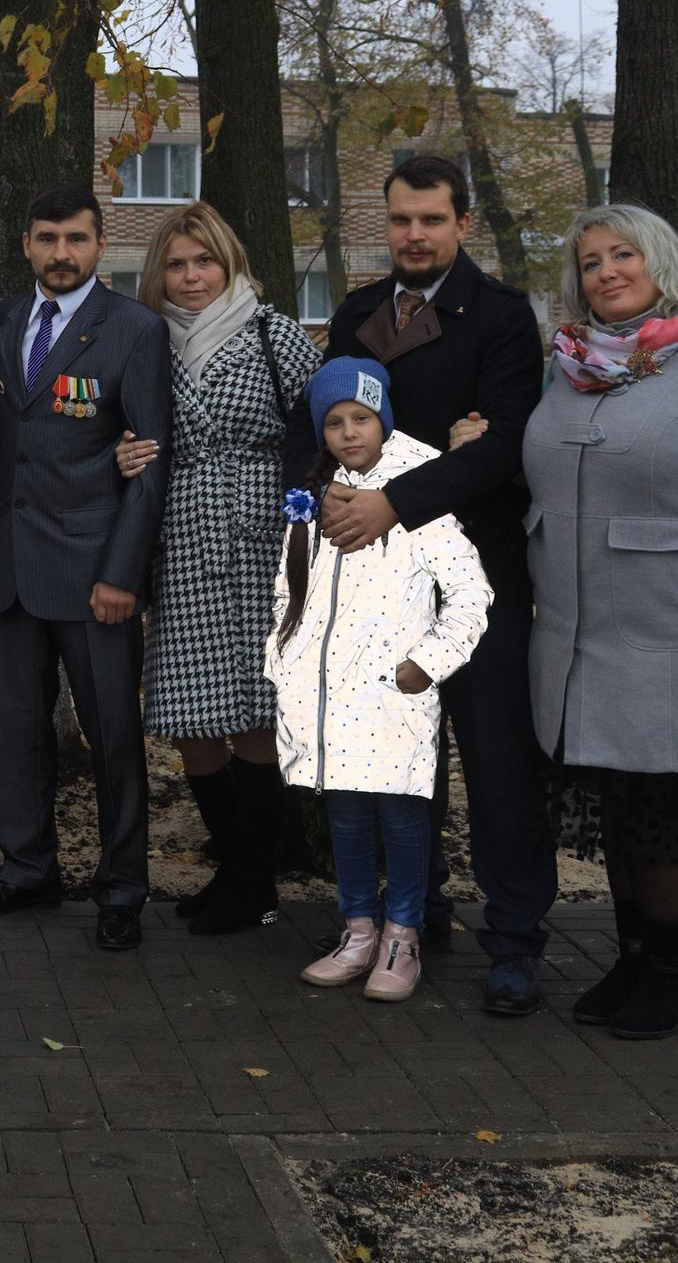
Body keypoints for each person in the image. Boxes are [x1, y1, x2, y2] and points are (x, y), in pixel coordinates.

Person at [454, 203, 678, 1039]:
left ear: (661, 260)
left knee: (664, 811)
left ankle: (676, 974)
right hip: (578, 633)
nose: (607, 270)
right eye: (592, 260)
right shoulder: (573, 364)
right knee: (619, 807)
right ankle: (634, 956)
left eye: (624, 254)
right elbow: (550, 480)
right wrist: (483, 444)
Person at [287, 153, 554, 1016]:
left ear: (462, 224)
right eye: (401, 218)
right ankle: (416, 911)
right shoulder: (359, 312)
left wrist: (395, 500)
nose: (414, 234)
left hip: (477, 577)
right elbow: (326, 434)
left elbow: (507, 447)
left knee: (498, 765)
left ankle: (514, 939)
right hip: (373, 590)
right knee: (396, 764)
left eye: (432, 220)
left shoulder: (504, 318)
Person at [0, 187, 173, 951]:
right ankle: (26, 868)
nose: (60, 253)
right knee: (16, 731)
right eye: (46, 238)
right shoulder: (8, 318)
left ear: (99, 244)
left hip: (92, 573)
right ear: (25, 244)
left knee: (113, 734)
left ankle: (121, 888)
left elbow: (148, 464)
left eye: (75, 239)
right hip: (10, 564)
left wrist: (123, 573)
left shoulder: (136, 330)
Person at [109, 203, 322, 935]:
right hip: (180, 537)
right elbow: (115, 426)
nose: (192, 276)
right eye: (176, 263)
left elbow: (326, 430)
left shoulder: (275, 333)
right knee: (189, 717)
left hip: (265, 538)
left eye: (204, 260)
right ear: (158, 273)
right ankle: (234, 866)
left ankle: (254, 880)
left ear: (228, 263)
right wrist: (119, 453)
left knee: (259, 716)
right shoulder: (143, 342)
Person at [270, 359, 492, 1002]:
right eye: (334, 422)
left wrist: (425, 664)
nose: (347, 433)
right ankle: (358, 928)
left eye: (361, 419)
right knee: (345, 814)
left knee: (401, 814)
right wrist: (282, 656)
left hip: (395, 691)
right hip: (324, 690)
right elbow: (291, 585)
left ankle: (404, 934)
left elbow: (471, 594)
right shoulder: (312, 488)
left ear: (383, 420)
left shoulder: (419, 488)